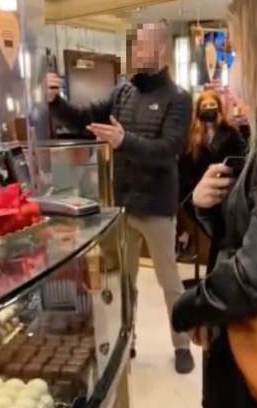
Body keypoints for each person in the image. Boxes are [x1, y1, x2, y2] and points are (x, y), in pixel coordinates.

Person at [169, 0, 257, 407]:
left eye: (237, 52)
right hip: (242, 350)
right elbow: (250, 234)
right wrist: (207, 208)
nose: (232, 68)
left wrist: (188, 306)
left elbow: (254, 274)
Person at [45, 21, 195, 373]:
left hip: (157, 208)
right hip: (123, 206)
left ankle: (182, 344)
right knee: (123, 281)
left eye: (142, 46)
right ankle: (128, 341)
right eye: (134, 46)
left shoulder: (179, 98)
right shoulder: (122, 91)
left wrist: (123, 141)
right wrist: (56, 102)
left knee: (169, 282)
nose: (136, 52)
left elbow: (169, 149)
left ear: (160, 50)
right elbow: (84, 117)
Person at [179, 90, 247, 270]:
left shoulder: (231, 133)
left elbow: (243, 156)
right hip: (199, 198)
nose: (209, 109)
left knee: (221, 244)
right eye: (205, 106)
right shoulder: (191, 137)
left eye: (212, 105)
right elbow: (184, 169)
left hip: (226, 196)